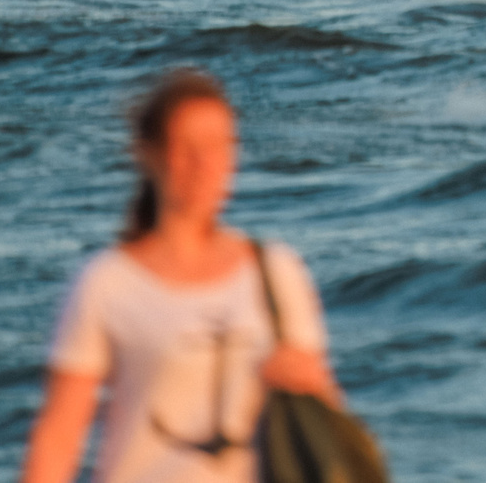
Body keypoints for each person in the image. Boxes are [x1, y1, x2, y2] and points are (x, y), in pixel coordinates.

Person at [21, 70, 341, 483]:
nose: (204, 165)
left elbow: (328, 428)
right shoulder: (107, 283)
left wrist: (310, 386)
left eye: (218, 147)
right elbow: (58, 438)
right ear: (149, 154)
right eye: (186, 148)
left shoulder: (276, 273)